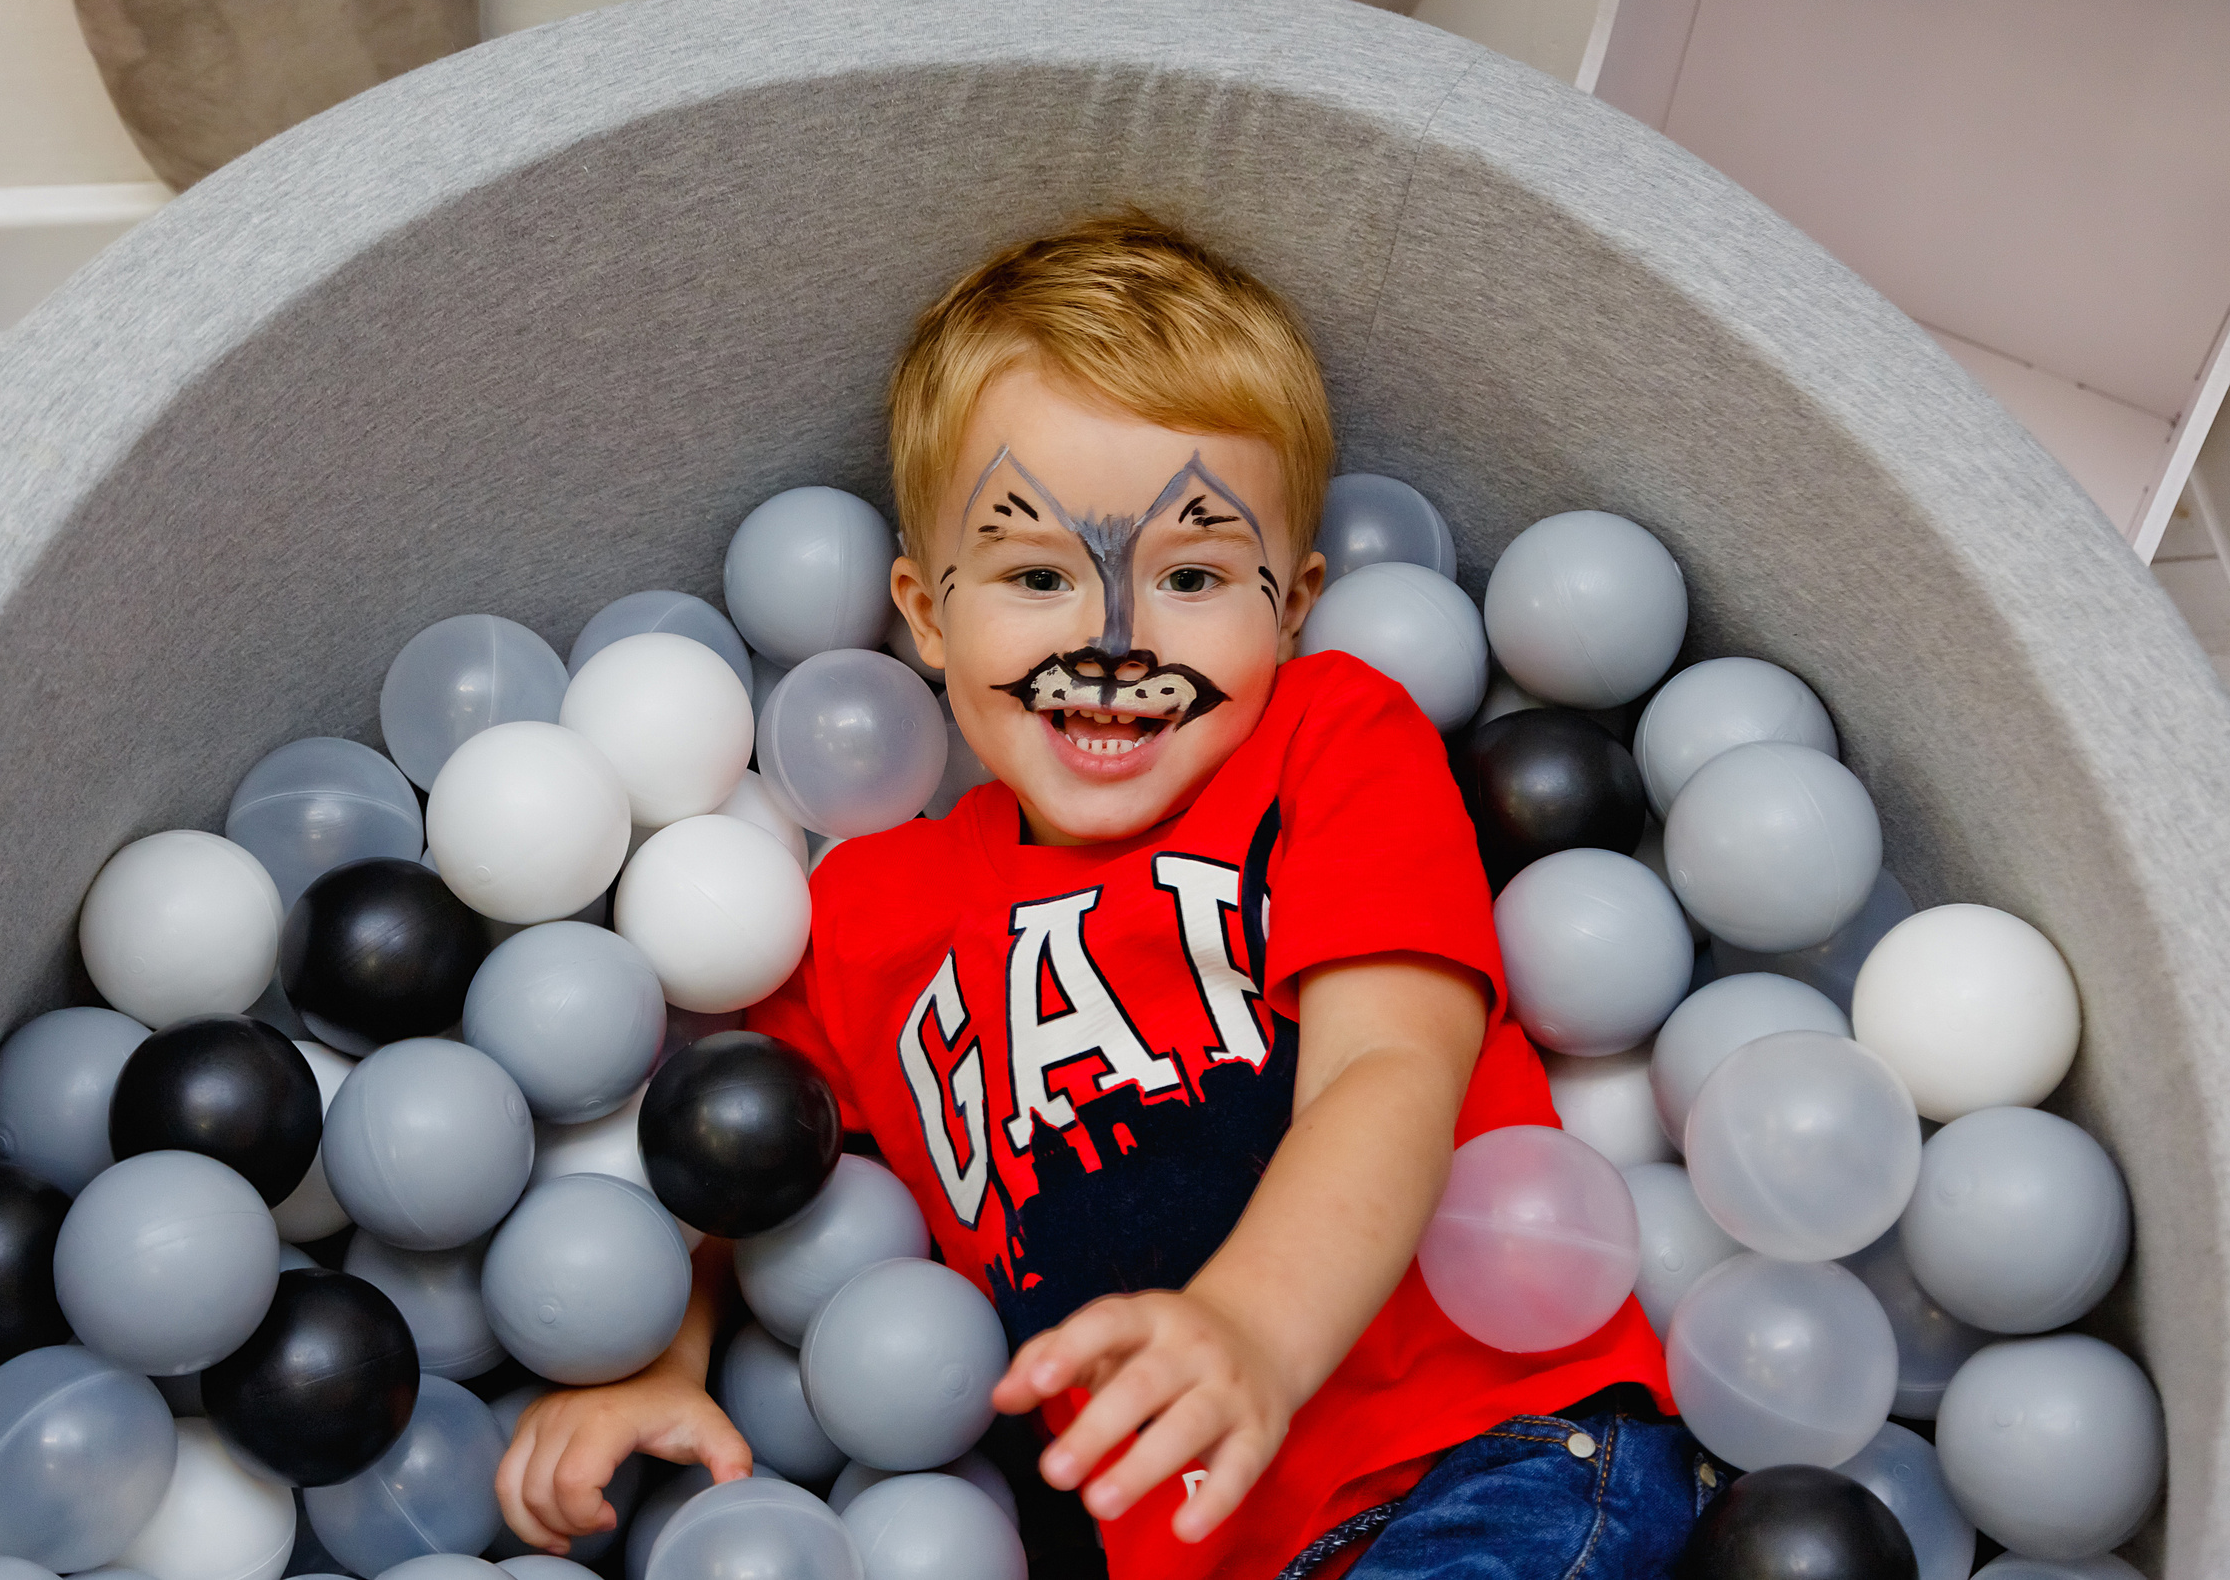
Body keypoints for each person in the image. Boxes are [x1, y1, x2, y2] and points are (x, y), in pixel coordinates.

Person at [495, 213, 1693, 1578]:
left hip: (1477, 1464)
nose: (1112, 641)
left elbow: (1390, 1069)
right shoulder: (865, 916)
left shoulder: (1331, 741)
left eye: (1189, 576)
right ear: (927, 617)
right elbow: (745, 1158)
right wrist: (664, 1355)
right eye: (1036, 575)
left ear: (1291, 605)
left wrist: (1251, 1325)